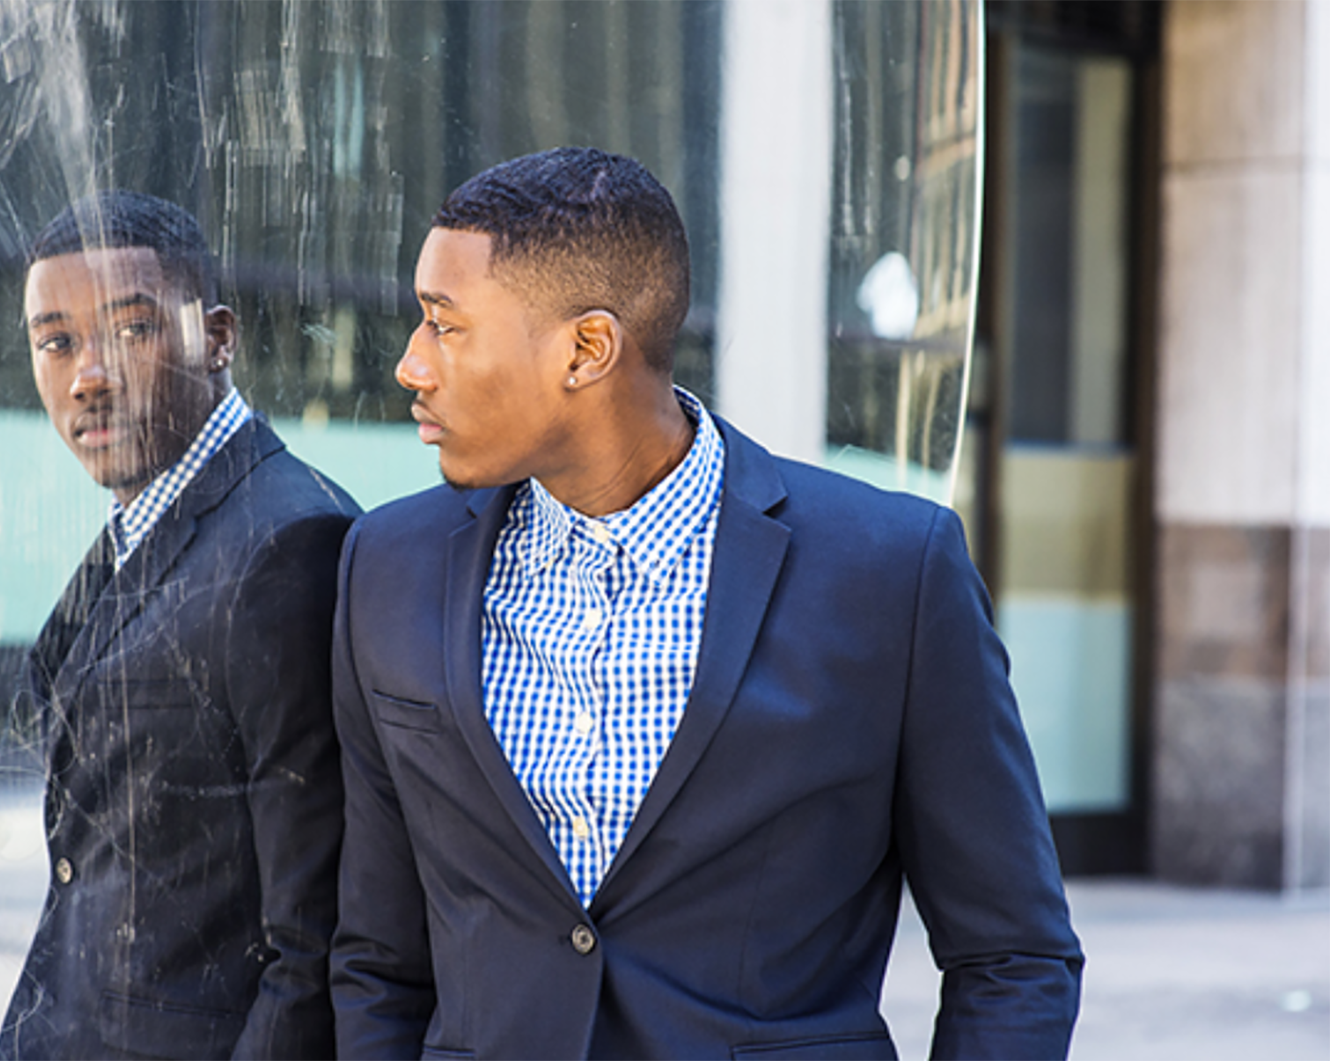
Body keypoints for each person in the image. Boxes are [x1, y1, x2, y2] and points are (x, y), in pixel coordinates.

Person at [329, 148, 1082, 1059]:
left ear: (587, 349)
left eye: (445, 326)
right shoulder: (387, 564)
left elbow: (1013, 954)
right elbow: (378, 958)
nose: (412, 365)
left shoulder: (892, 572)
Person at [0, 190, 358, 1060]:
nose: (89, 374)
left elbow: (313, 940)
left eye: (131, 331)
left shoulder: (286, 544)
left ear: (218, 337)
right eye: (57, 342)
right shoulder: (146, 517)